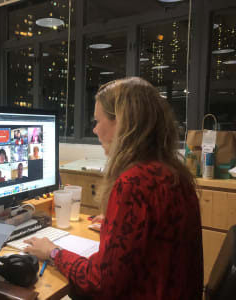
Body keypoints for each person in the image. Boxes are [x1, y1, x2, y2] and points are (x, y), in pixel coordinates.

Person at [24, 77, 203, 300]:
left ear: (123, 123)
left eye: (98, 121)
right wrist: (115, 226)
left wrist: (52, 252)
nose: (95, 130)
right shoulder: (175, 174)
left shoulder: (134, 183)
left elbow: (101, 282)